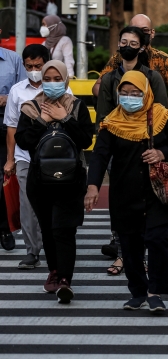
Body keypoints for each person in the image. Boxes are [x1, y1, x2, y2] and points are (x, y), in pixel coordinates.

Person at [85, 71, 168, 312]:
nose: (129, 97)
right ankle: (138, 292)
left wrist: (162, 153)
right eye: (125, 93)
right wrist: (92, 186)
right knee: (129, 245)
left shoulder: (161, 116)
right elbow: (100, 156)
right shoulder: (111, 122)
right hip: (124, 193)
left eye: (135, 93)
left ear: (146, 93)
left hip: (157, 192)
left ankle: (155, 292)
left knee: (156, 238)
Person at [15, 60, 94, 303]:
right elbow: (24, 141)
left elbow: (84, 139)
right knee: (48, 229)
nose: (51, 83)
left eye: (56, 78)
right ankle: (53, 270)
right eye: (47, 79)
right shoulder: (30, 107)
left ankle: (65, 279)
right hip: (40, 180)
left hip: (71, 180)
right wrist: (43, 121)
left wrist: (64, 118)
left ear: (65, 79)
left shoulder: (77, 106)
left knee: (64, 229)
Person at [96, 25, 168, 275]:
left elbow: (161, 113)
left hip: (147, 148)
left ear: (143, 47)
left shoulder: (152, 76)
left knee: (149, 203)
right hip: (118, 146)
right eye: (123, 41)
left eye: (133, 43)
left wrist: (159, 150)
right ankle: (121, 252)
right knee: (120, 202)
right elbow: (103, 115)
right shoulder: (109, 78)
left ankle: (143, 255)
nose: (128, 46)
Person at [4, 45, 56, 270]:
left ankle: (54, 247)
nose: (34, 70)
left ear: (46, 63)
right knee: (27, 205)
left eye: (38, 66)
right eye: (29, 66)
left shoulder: (60, 87)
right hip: (24, 156)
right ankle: (32, 251)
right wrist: (10, 159)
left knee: (52, 203)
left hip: (53, 157)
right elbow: (12, 128)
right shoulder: (17, 91)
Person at [92, 14, 168, 122]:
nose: (139, 33)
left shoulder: (162, 59)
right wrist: (121, 99)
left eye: (144, 30)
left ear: (152, 33)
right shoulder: (119, 58)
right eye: (135, 30)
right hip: (121, 114)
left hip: (151, 115)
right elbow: (98, 86)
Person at [0, 30, 26, 253]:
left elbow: (24, 90)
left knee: (4, 177)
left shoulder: (13, 59)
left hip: (5, 122)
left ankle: (4, 228)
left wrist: (7, 98)